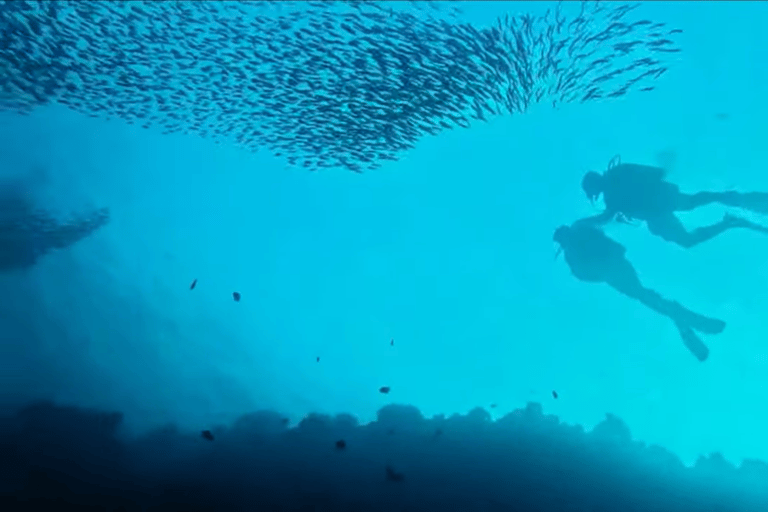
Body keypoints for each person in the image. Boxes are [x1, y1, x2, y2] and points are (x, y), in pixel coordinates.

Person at [553, 222, 725, 361]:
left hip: (615, 271)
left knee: (646, 296)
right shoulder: (579, 237)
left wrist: (604, 273)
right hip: (616, 270)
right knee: (646, 296)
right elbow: (586, 269)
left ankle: (685, 319)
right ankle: (684, 319)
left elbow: (584, 273)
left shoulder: (576, 243)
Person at [577, 155, 768, 248]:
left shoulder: (614, 192)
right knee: (692, 205)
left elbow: (605, 217)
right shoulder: (617, 181)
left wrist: (583, 223)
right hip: (661, 205)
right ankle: (725, 204)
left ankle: (727, 218)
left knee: (688, 233)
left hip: (659, 209)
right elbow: (656, 173)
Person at [0, 180, 109, 271]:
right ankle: (96, 220)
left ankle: (96, 220)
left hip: (26, 238)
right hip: (27, 241)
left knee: (51, 236)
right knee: (52, 237)